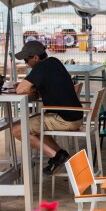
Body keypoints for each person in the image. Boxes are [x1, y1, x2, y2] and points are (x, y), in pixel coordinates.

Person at [12, 40, 83, 174]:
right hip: (76, 116)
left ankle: (55, 156)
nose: (26, 64)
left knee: (17, 130)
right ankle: (60, 153)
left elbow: (20, 90)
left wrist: (25, 86)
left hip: (64, 119)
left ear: (36, 58)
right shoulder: (54, 62)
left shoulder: (41, 67)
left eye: (27, 60)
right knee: (34, 126)